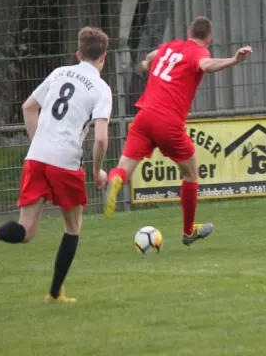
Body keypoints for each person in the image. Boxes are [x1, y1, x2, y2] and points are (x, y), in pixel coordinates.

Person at [0, 26, 113, 304]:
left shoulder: (59, 74)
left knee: (26, 231)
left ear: (78, 54)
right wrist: (97, 170)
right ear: (104, 57)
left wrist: (39, 143)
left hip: (36, 157)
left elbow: (28, 107)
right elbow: (102, 138)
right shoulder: (102, 89)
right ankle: (55, 294)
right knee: (73, 227)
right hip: (65, 162)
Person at [103, 16, 252, 246]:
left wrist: (144, 65)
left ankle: (115, 180)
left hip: (143, 117)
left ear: (189, 31)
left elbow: (152, 56)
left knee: (125, 168)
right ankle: (188, 231)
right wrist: (235, 60)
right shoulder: (198, 53)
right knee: (191, 174)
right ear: (208, 39)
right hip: (167, 121)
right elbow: (206, 66)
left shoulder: (171, 46)